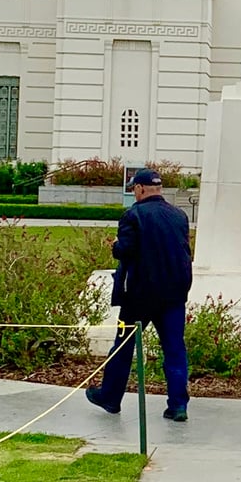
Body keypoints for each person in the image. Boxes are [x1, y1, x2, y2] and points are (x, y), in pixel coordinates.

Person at [84, 167, 193, 421]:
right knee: (175, 350)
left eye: (134, 188)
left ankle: (110, 397)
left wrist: (115, 246)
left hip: (139, 297)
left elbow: (127, 251)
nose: (134, 192)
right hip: (174, 296)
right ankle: (178, 405)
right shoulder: (179, 215)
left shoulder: (133, 215)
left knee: (123, 346)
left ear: (141, 189)